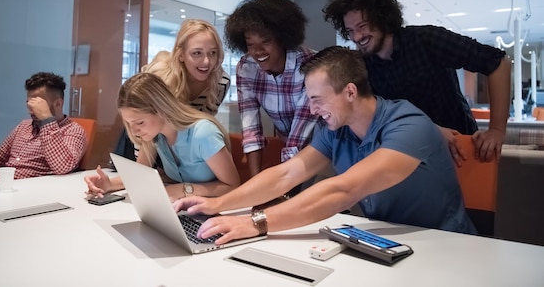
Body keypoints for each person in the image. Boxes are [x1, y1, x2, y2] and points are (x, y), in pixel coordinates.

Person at [174, 46, 476, 245]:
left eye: (317, 99)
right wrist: (219, 205)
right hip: (387, 242)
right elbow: (286, 175)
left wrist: (255, 222)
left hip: (444, 244)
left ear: (350, 92)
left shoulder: (409, 125)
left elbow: (343, 190)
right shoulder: (337, 129)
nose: (312, 109)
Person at [322, 0, 510, 165]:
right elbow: (378, 115)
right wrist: (430, 130)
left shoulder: (426, 40)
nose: (356, 37)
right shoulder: (363, 66)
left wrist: (496, 130)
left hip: (458, 150)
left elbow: (497, 63)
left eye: (362, 26)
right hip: (405, 156)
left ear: (382, 19)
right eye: (350, 31)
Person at [85, 73, 240, 201]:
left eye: (139, 122)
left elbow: (233, 186)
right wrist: (109, 184)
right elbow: (139, 175)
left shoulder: (203, 133)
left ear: (161, 110)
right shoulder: (155, 136)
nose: (134, 130)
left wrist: (183, 189)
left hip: (216, 212)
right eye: (129, 123)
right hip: (185, 209)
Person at [224, 0, 319, 178]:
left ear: (282, 38)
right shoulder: (247, 67)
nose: (257, 51)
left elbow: (298, 139)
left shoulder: (311, 66)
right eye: (250, 44)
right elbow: (251, 128)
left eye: (265, 41)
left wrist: (280, 190)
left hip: (323, 144)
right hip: (288, 148)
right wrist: (254, 182)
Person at [114, 19, 230, 160]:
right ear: (181, 54)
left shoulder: (220, 82)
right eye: (197, 53)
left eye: (212, 53)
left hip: (180, 152)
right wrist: (142, 169)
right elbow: (143, 128)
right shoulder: (162, 77)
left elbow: (202, 126)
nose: (206, 61)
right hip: (148, 142)